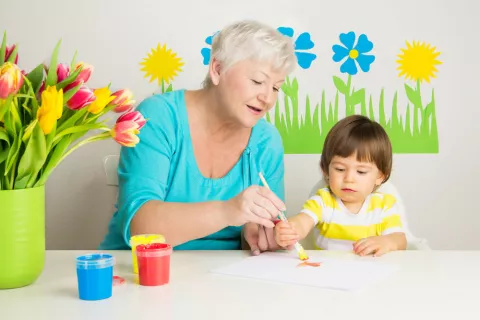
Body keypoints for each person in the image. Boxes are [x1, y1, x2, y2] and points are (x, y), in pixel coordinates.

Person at [99, 20, 297, 254]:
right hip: (137, 273)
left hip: (220, 278)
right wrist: (228, 211)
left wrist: (256, 235)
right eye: (257, 81)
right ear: (217, 69)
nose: (268, 98)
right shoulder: (159, 117)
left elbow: (263, 230)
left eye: (276, 88)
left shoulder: (267, 142)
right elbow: (140, 229)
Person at [274, 115, 407, 257]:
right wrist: (290, 229)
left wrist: (385, 242)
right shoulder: (323, 201)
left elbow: (400, 240)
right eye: (340, 169)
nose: (349, 179)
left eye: (361, 171)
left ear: (380, 176)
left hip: (368, 273)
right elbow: (303, 221)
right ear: (326, 170)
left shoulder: (384, 205)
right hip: (328, 273)